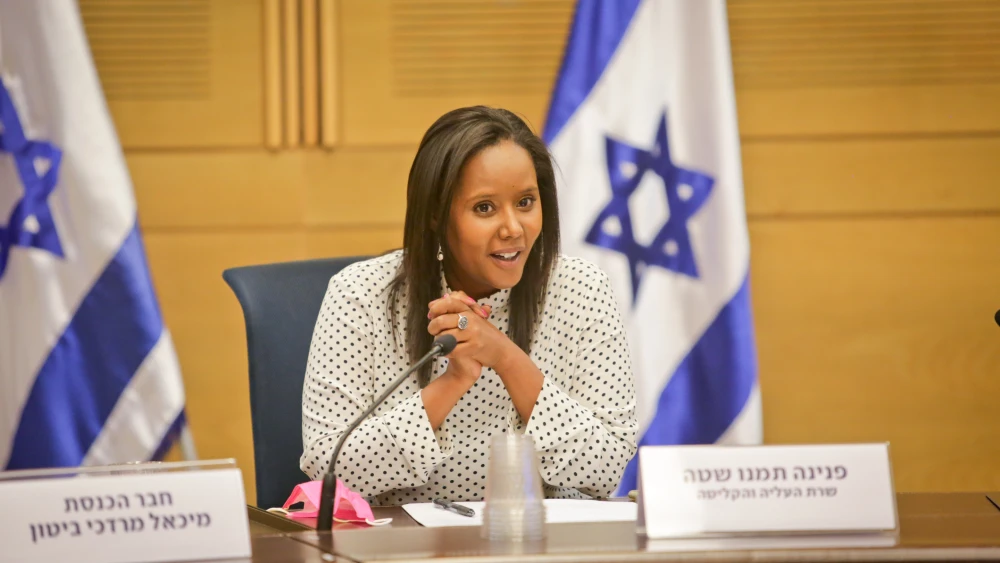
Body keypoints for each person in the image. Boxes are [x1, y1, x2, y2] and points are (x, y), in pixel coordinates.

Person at [300, 106, 637, 505]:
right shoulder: (360, 295)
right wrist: (454, 380)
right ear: (434, 217)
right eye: (484, 208)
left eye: (526, 202)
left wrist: (505, 356)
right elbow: (328, 467)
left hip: (539, 542)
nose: (513, 228)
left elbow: (608, 465)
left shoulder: (582, 289)